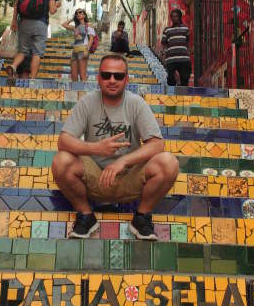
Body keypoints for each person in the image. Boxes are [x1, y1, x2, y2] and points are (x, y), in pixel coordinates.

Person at [52, 53, 179, 240]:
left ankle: (142, 217)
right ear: (98, 78)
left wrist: (123, 161)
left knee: (168, 162)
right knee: (61, 160)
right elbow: (63, 141)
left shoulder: (137, 104)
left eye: (118, 76)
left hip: (130, 178)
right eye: (106, 75)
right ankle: (86, 216)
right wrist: (96, 149)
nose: (112, 80)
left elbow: (157, 145)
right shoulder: (87, 102)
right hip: (95, 178)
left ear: (126, 79)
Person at [8, 0, 61, 78]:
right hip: (40, 25)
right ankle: (32, 78)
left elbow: (17, 4)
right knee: (37, 53)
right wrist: (57, 5)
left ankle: (13, 65)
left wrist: (14, 20)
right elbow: (52, 10)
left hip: (24, 23)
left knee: (22, 51)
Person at [62, 8, 95, 82]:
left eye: (80, 12)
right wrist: (72, 18)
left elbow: (91, 39)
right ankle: (76, 93)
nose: (78, 14)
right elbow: (64, 24)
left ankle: (83, 93)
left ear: (84, 15)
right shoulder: (75, 27)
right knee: (74, 76)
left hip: (83, 50)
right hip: (75, 51)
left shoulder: (88, 25)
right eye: (76, 13)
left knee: (82, 76)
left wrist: (87, 50)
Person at [161, 8, 191, 86]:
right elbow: (163, 44)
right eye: (173, 17)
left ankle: (183, 95)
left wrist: (189, 53)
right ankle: (172, 96)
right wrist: (163, 55)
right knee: (170, 79)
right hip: (171, 59)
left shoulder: (185, 29)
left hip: (184, 58)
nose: (174, 18)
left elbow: (187, 42)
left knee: (185, 78)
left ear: (180, 17)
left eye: (176, 16)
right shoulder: (167, 30)